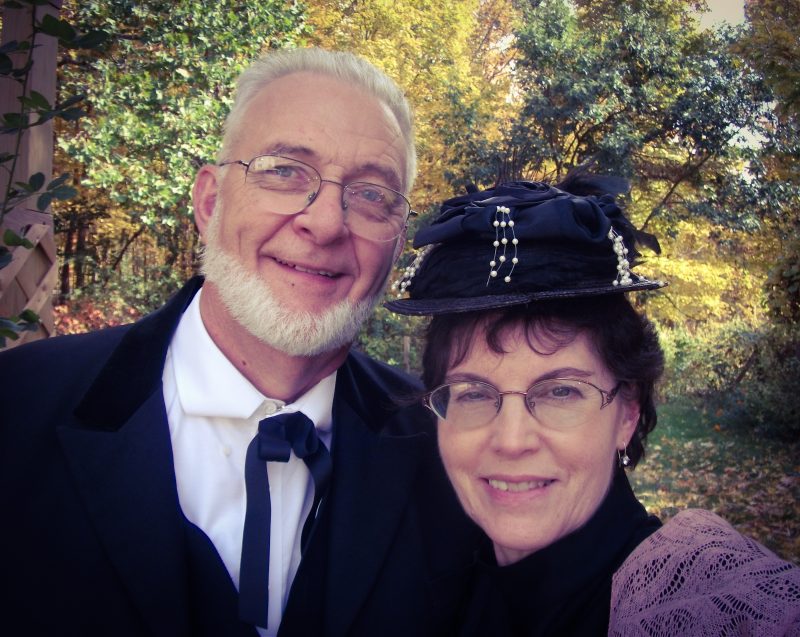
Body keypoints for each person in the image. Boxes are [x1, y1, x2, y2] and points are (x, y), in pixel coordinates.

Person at [0, 47, 478, 637]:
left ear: (398, 241)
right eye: (284, 171)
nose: (325, 222)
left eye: (372, 194)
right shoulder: (17, 408)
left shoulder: (452, 453)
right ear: (209, 202)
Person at [386, 179, 800, 636]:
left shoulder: (706, 605)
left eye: (561, 392)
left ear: (627, 414)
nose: (511, 440)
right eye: (475, 393)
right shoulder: (423, 587)